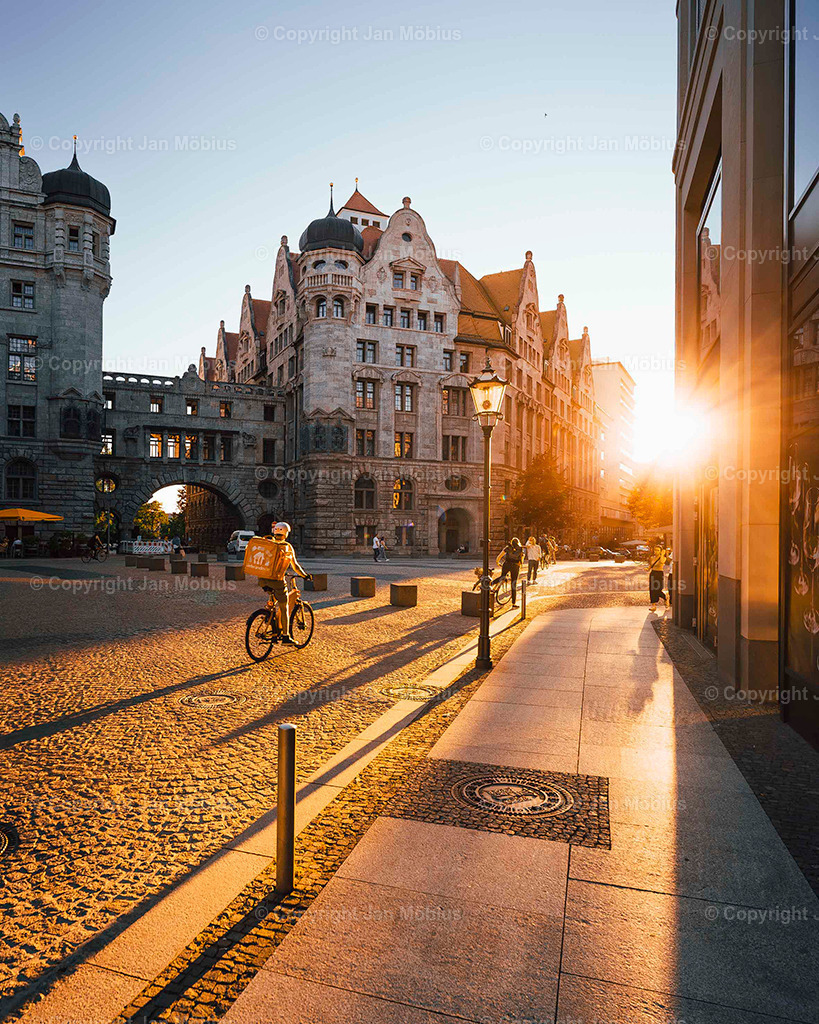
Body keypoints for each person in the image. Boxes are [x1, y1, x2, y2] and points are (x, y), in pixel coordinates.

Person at [258, 522, 312, 643]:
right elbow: (295, 566)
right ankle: (286, 636)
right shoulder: (286, 546)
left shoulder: (268, 543)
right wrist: (305, 575)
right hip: (276, 580)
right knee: (284, 606)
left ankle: (269, 616)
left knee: (273, 597)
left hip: (262, 579)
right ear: (286, 533)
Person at [496, 537, 524, 607]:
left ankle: (492, 584)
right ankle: (513, 603)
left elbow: (499, 556)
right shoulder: (520, 549)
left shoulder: (507, 547)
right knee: (513, 583)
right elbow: (521, 561)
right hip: (515, 566)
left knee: (502, 577)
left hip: (506, 564)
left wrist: (498, 562)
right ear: (518, 543)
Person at [648, 537, 670, 612]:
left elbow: (661, 562)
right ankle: (653, 605)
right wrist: (647, 568)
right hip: (653, 573)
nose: (655, 551)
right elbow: (651, 566)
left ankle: (665, 598)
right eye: (655, 550)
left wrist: (663, 554)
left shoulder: (663, 558)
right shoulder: (652, 557)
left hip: (659, 574)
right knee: (652, 589)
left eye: (657, 550)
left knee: (658, 589)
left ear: (661, 551)